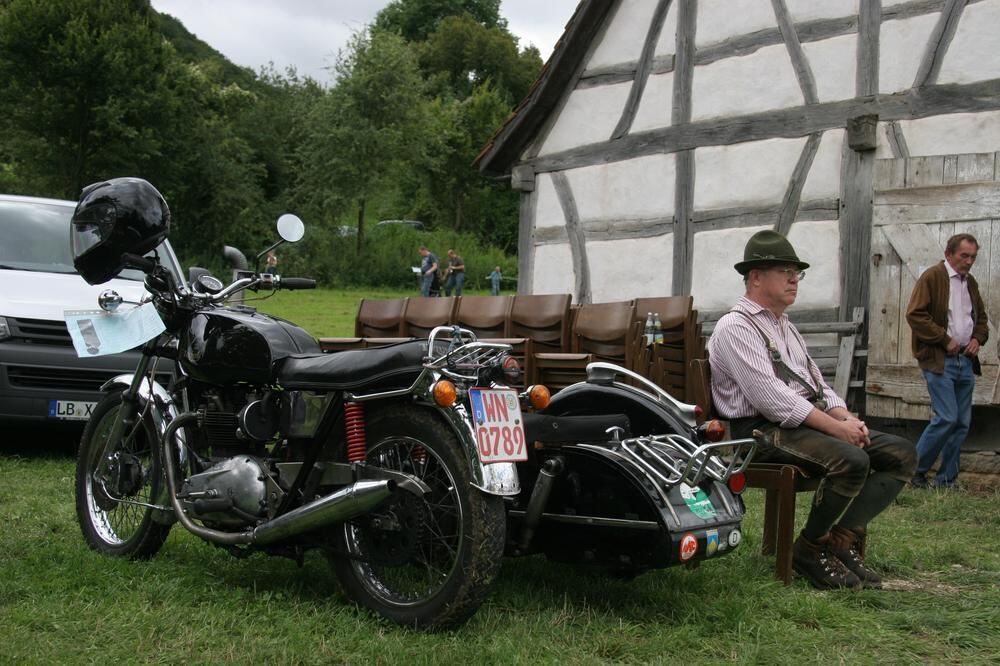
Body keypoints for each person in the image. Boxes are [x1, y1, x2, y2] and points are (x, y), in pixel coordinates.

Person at [709, 229, 915, 590]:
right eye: (784, 271)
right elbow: (772, 399)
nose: (794, 279)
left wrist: (846, 418)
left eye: (797, 272)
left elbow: (816, 385)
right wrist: (836, 430)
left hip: (799, 425)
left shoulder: (785, 326)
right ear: (755, 277)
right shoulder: (735, 326)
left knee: (902, 454)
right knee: (851, 459)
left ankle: (839, 543)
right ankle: (809, 549)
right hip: (760, 432)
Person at [905, 233, 988, 490]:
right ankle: (912, 473)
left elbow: (982, 320)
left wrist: (977, 339)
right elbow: (915, 315)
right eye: (964, 255)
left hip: (966, 360)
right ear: (949, 253)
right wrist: (943, 339)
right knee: (947, 417)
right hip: (940, 360)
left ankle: (946, 481)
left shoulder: (970, 283)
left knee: (961, 422)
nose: (969, 261)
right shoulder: (933, 276)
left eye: (973, 257)